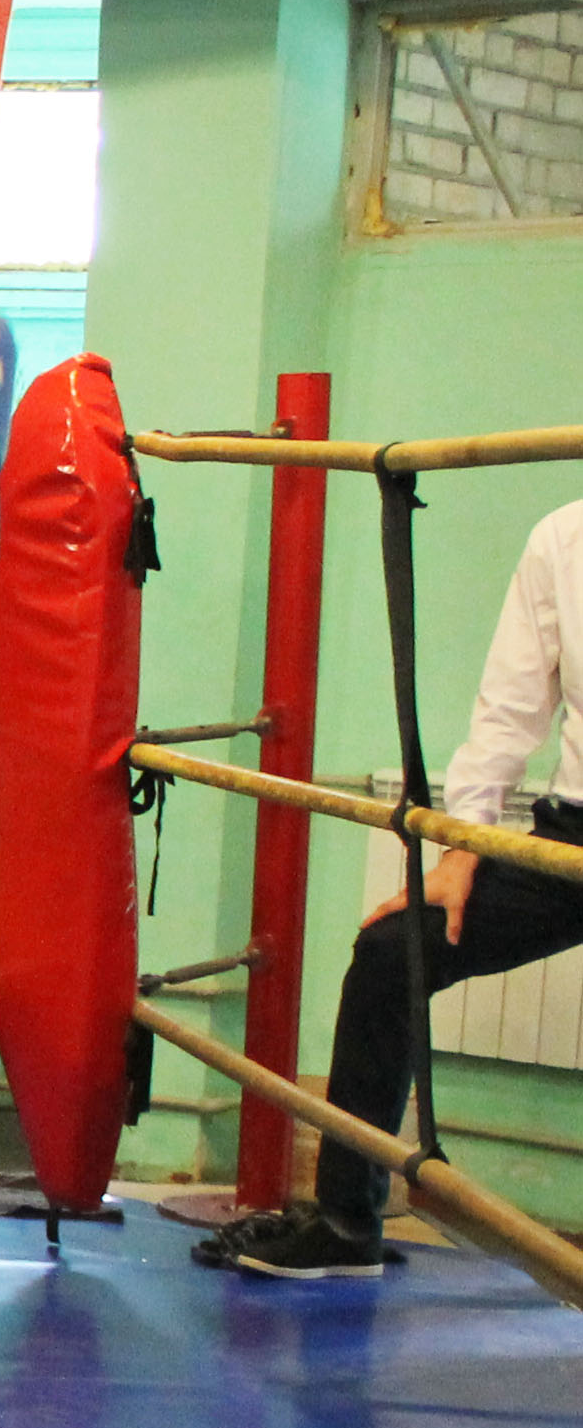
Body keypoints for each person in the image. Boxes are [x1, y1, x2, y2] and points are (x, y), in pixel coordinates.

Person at [199, 497, 583, 1277]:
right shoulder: (565, 536)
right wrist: (462, 845)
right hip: (572, 837)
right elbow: (509, 710)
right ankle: (346, 1224)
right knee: (391, 952)